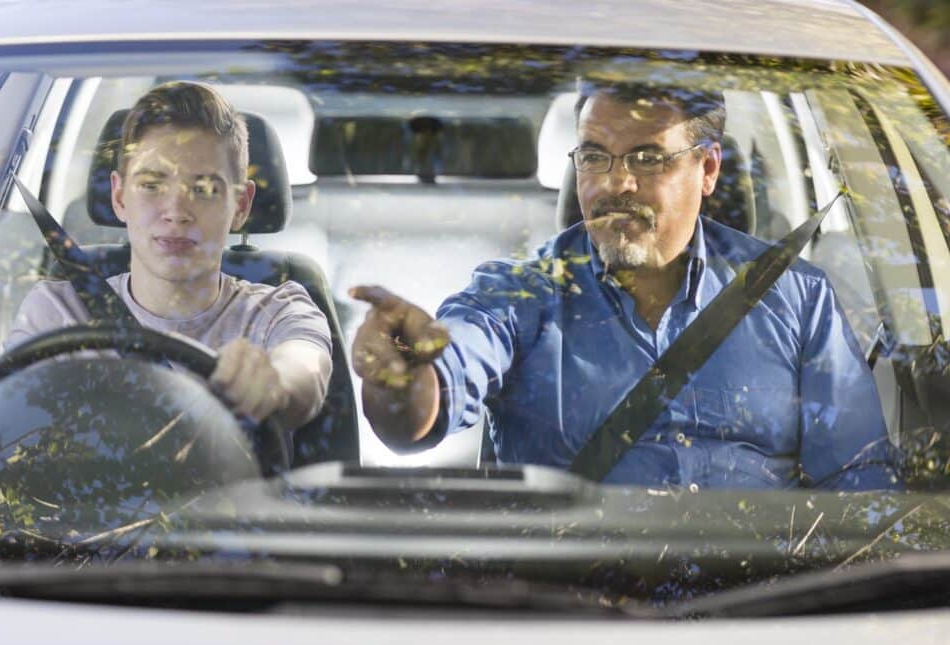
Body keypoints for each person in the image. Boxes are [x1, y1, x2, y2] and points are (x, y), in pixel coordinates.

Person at [350, 81, 899, 491]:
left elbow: (858, 486)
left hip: (759, 615)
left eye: (648, 157)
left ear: (707, 170)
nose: (617, 183)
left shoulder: (797, 301)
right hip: (569, 615)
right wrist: (403, 381)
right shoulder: (518, 295)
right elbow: (439, 385)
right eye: (594, 157)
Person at [0, 81, 333, 451]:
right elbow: (9, 419)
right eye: (152, 185)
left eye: (204, 189)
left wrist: (272, 382)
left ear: (241, 204)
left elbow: (305, 368)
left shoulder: (278, 310)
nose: (176, 211)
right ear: (120, 197)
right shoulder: (60, 313)